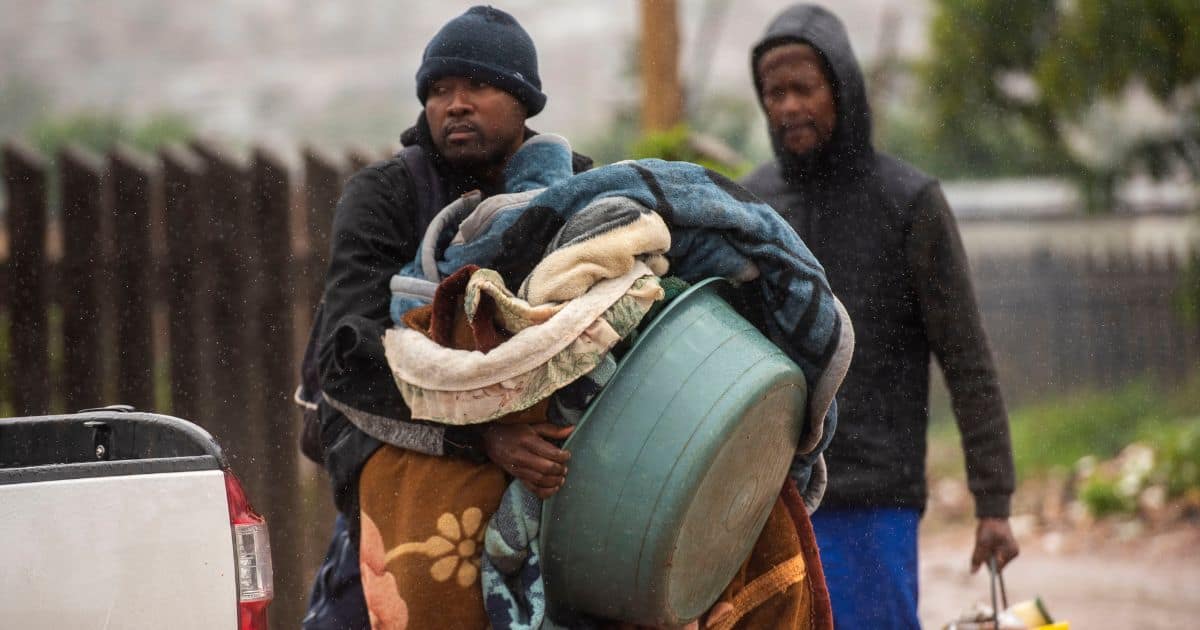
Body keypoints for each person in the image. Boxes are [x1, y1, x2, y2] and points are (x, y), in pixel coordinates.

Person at [300, 6, 591, 628]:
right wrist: (482, 438)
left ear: (523, 101)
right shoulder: (385, 196)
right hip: (402, 476)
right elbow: (347, 359)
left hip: (550, 488)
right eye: (438, 90)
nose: (454, 104)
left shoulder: (577, 190)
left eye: (477, 86)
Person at [739, 5, 1020, 629]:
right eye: (773, 93)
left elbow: (967, 357)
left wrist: (993, 501)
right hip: (772, 501)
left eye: (802, 88)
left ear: (841, 86)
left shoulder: (909, 204)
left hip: (874, 501)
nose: (787, 107)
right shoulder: (751, 209)